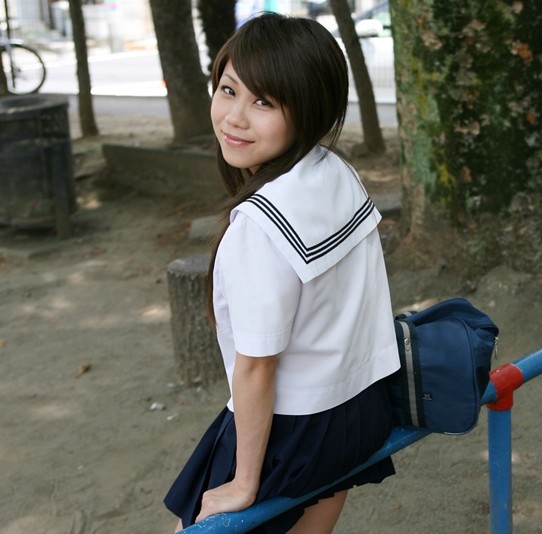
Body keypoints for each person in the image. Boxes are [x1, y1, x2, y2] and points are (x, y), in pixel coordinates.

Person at [164, 12, 400, 533]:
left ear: (309, 110)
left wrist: (245, 480)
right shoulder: (335, 172)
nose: (234, 118)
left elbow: (257, 364)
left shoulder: (259, 226)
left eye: (264, 102)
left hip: (293, 429)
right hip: (359, 408)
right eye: (228, 90)